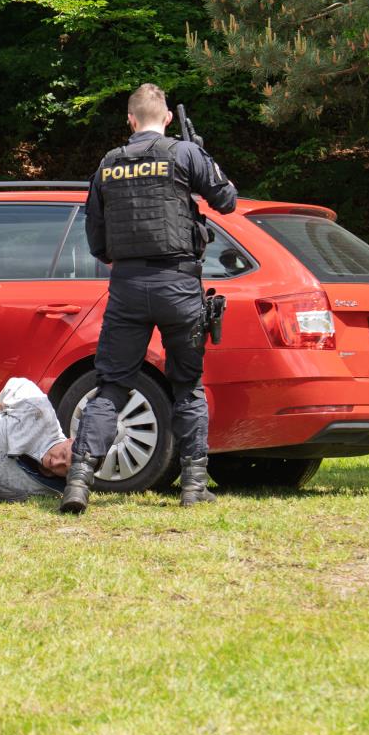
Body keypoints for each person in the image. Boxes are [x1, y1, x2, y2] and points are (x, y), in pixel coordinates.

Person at [60, 83, 238, 514]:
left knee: (112, 385)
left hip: (126, 286)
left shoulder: (108, 163)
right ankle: (193, 485)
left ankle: (78, 482)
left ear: (130, 120)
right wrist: (204, 157)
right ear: (168, 119)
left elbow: (96, 235)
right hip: (178, 285)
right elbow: (227, 200)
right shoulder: (185, 154)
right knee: (187, 385)